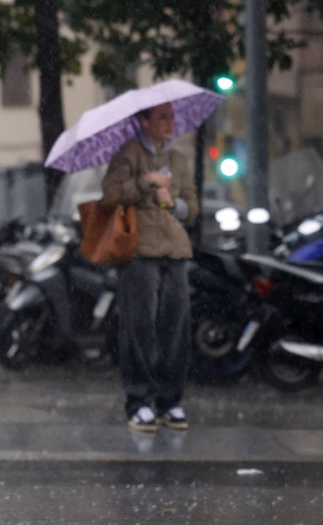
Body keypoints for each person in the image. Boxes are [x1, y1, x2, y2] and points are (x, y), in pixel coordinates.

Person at [100, 102, 199, 433]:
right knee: (140, 327)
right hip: (139, 250)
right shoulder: (128, 154)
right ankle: (139, 400)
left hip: (175, 250)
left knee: (176, 327)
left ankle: (170, 400)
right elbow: (110, 195)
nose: (169, 123)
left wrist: (176, 203)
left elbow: (193, 208)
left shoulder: (179, 160)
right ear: (143, 121)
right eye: (162, 117)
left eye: (172, 117)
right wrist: (144, 182)